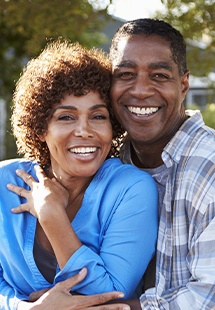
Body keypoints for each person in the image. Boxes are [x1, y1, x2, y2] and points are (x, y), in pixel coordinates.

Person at [15, 18, 215, 309]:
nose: (141, 90)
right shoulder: (105, 161)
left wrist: (90, 307)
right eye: (125, 74)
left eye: (159, 75)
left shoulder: (208, 168)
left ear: (184, 84)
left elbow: (208, 298)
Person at [0, 39, 159, 309]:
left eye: (98, 116)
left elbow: (111, 296)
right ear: (41, 128)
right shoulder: (5, 182)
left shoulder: (131, 189)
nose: (85, 131)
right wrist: (26, 308)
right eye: (66, 117)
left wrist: (51, 215)